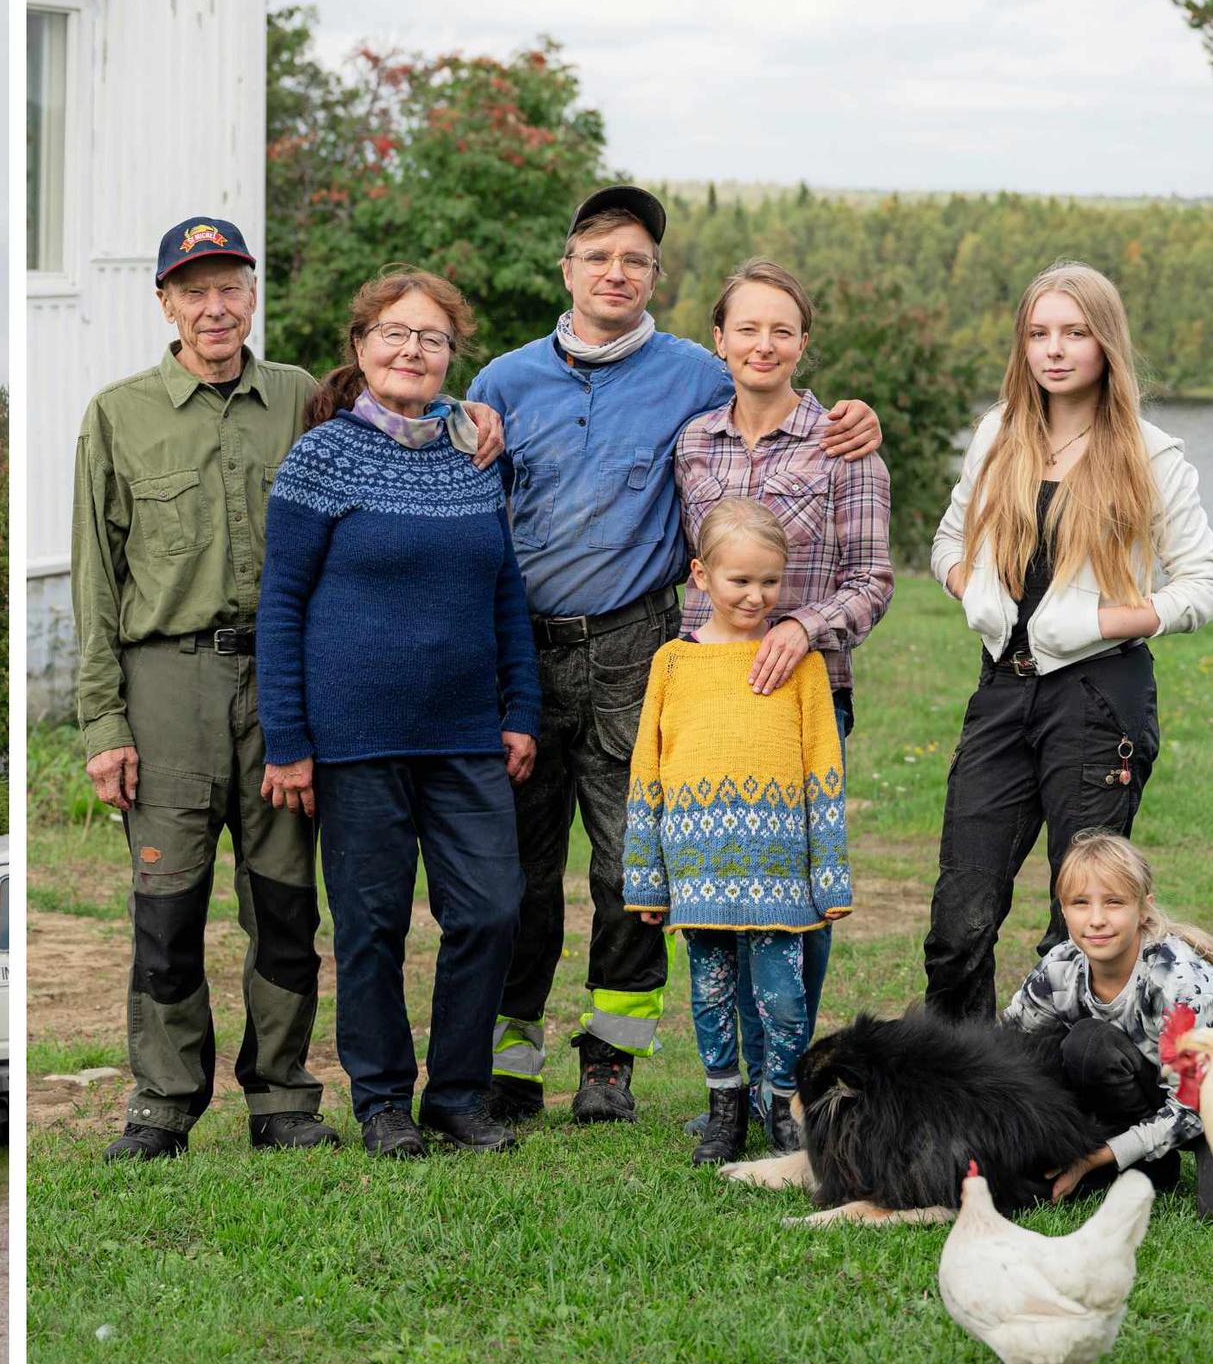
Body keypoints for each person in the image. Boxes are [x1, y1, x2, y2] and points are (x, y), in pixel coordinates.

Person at [72, 213, 504, 1160]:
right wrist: (103, 722)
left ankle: (281, 1099)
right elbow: (95, 577)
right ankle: (162, 1105)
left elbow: (403, 405)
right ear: (165, 303)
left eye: (230, 288)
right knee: (167, 908)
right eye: (194, 292)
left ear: (253, 296)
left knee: (283, 907)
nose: (214, 308)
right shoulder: (117, 414)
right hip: (167, 682)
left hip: (282, 683)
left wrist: (472, 416)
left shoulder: (302, 398)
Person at [466, 185, 881, 1126]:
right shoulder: (502, 381)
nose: (615, 273)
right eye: (597, 256)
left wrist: (856, 419)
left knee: (632, 864)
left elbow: (777, 392)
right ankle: (509, 1059)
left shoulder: (694, 373)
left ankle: (609, 1062)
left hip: (636, 645)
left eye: (636, 260)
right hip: (522, 647)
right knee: (515, 870)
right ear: (566, 269)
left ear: (656, 276)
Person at [255, 270, 539, 1160]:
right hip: (354, 739)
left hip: (465, 734)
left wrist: (521, 708)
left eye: (431, 338)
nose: (412, 350)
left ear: (453, 356)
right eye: (394, 333)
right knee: (370, 928)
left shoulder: (474, 453)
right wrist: (287, 740)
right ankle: (381, 1101)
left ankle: (455, 1097)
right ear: (360, 346)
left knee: (490, 911)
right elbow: (280, 603)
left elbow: (504, 591)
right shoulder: (320, 458)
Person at [924, 262, 1213, 1021]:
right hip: (1002, 688)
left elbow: (1200, 584)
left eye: (1074, 333)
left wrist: (1099, 621)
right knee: (958, 924)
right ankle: (958, 1082)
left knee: (1078, 929)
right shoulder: (998, 434)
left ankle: (1062, 1082)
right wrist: (974, 590)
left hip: (1097, 699)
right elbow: (948, 540)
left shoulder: (1150, 454)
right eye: (1038, 333)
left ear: (1105, 342)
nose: (1053, 351)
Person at [672, 259, 892, 1132]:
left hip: (803, 694)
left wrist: (803, 627)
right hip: (709, 698)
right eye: (747, 329)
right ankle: (727, 1090)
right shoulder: (693, 443)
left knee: (794, 896)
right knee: (718, 888)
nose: (763, 345)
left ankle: (786, 1085)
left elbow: (871, 579)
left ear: (803, 343)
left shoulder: (842, 443)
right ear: (718, 339)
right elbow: (689, 564)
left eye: (782, 330)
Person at [625, 500, 852, 1163]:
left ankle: (782, 1105)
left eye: (769, 581)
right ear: (701, 576)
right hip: (697, 868)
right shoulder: (672, 662)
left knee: (783, 998)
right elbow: (646, 769)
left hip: (778, 872)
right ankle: (723, 1107)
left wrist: (829, 874)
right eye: (740, 581)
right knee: (711, 993)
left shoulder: (801, 665)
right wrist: (646, 877)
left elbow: (822, 772)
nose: (756, 596)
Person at [1001, 831, 1213, 1200]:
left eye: (1114, 902)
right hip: (1150, 1095)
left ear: (1143, 908)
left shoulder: (1176, 980)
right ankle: (1149, 1165)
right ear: (1063, 910)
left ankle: (1121, 1156)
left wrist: (1093, 1158)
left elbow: (1193, 1106)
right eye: (1080, 903)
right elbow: (1006, 1048)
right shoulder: (1059, 968)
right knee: (1087, 1045)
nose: (1096, 919)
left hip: (1203, 1102)